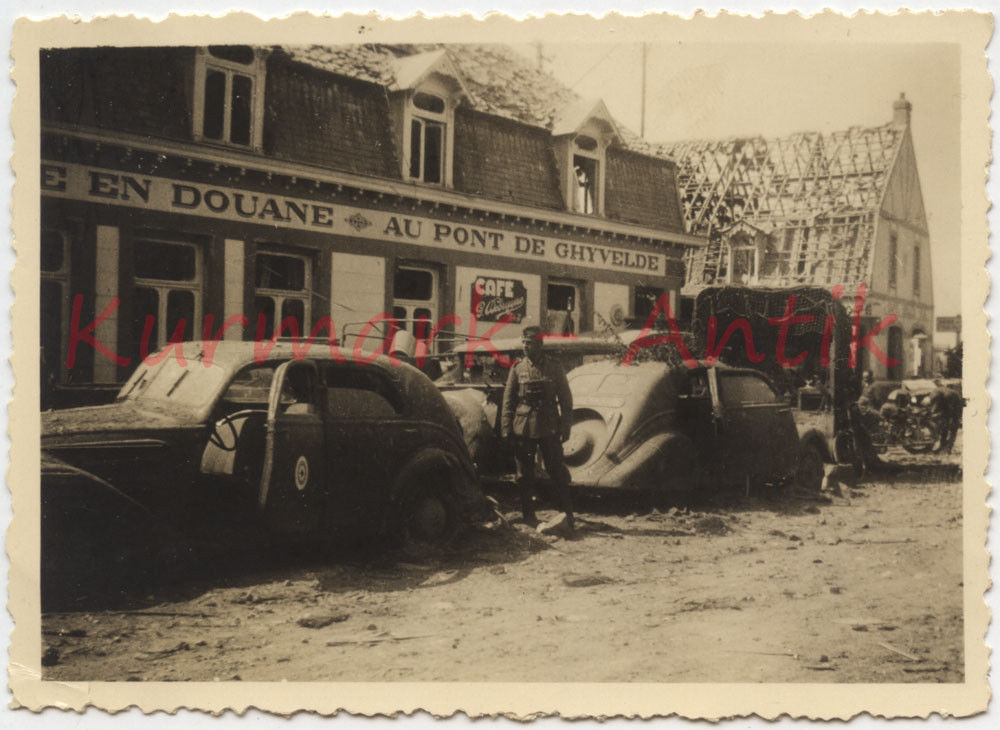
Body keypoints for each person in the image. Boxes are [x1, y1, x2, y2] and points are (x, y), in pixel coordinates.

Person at [501, 325, 575, 532]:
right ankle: (528, 515)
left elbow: (566, 400)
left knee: (556, 470)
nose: (525, 346)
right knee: (524, 473)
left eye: (530, 342)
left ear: (540, 344)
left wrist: (566, 426)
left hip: (549, 426)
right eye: (524, 342)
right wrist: (506, 429)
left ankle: (566, 513)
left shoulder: (554, 367)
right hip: (523, 427)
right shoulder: (517, 369)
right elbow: (508, 401)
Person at [929, 378, 963, 454]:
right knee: (953, 429)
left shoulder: (936, 391)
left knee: (944, 428)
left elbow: (933, 405)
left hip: (945, 414)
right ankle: (948, 449)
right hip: (954, 412)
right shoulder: (953, 392)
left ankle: (942, 447)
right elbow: (959, 405)